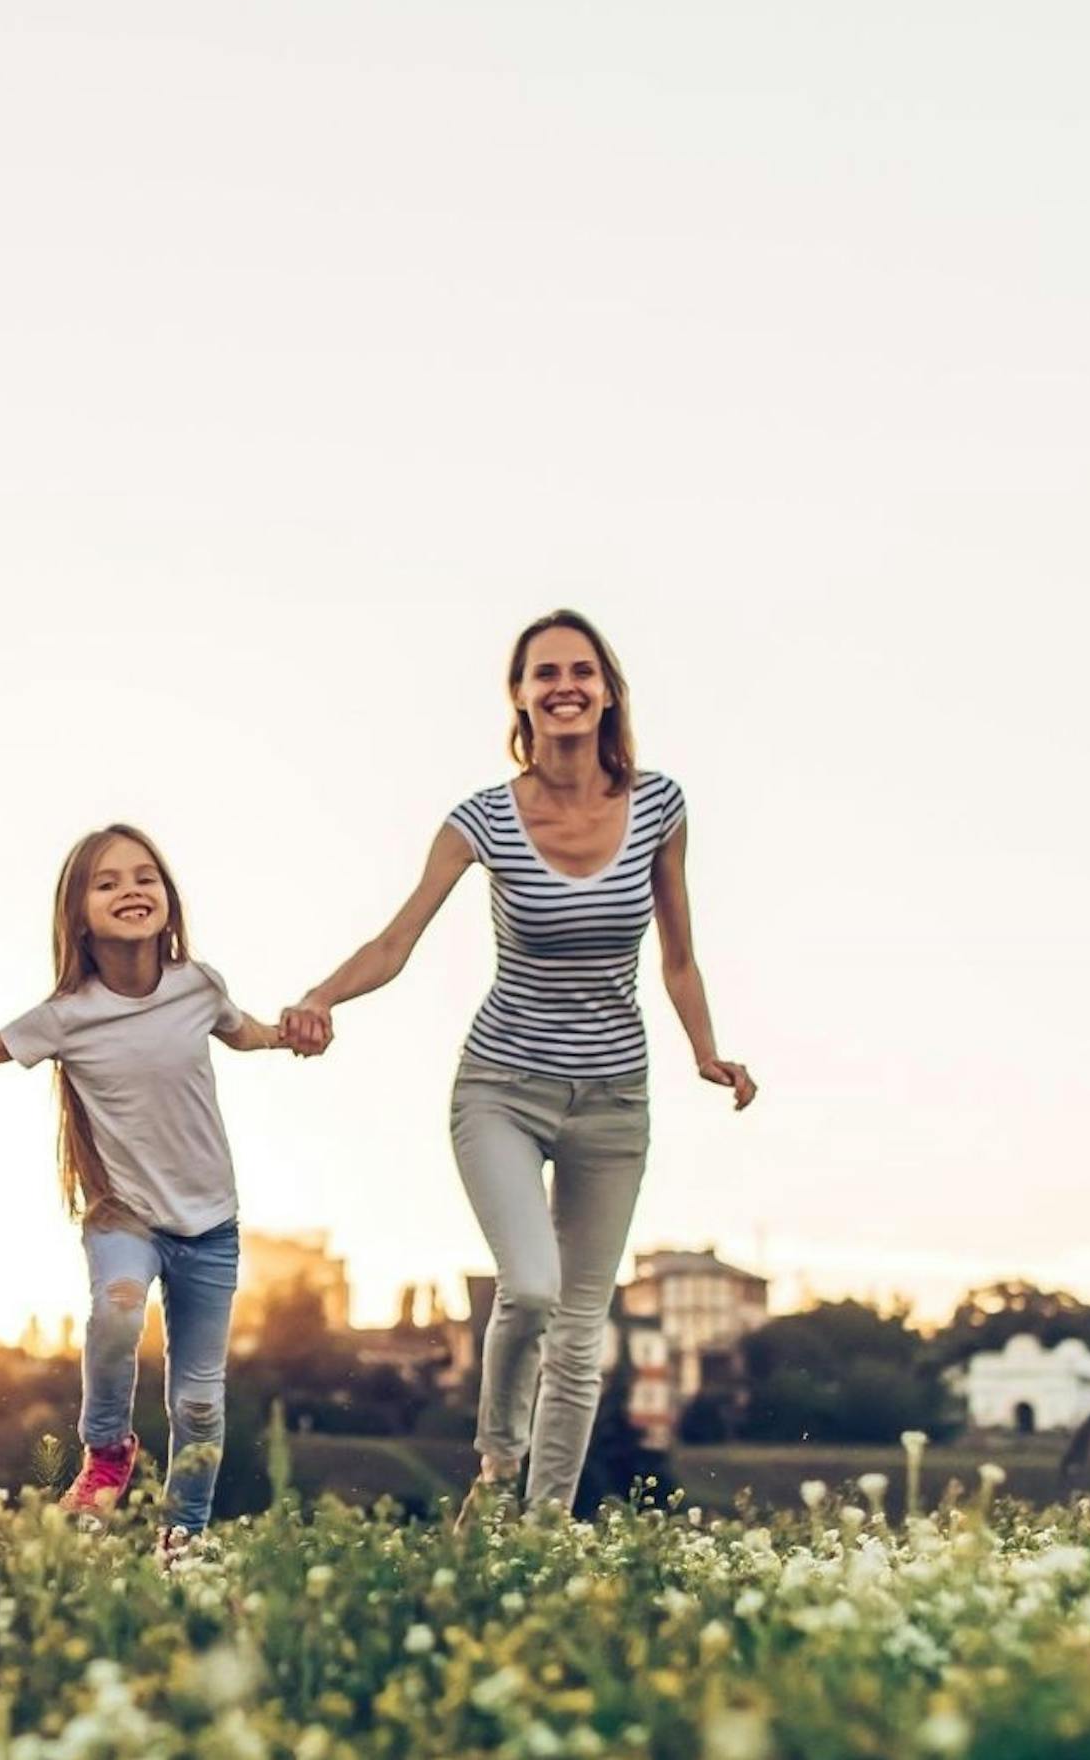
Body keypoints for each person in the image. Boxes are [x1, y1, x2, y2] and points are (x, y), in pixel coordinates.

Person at [279, 610, 760, 1517]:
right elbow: (397, 939)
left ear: (609, 691)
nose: (565, 685)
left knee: (582, 1336)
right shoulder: (481, 821)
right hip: (502, 1089)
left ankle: (539, 1536)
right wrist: (321, 998)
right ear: (521, 697)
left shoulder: (660, 807)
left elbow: (679, 956)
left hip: (614, 1103)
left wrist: (707, 1051)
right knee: (530, 1288)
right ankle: (497, 1465)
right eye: (545, 673)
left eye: (582, 670)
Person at [0, 823, 307, 1562]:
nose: (131, 891)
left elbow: (247, 1033)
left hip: (211, 1225)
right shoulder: (66, 1016)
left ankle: (185, 1540)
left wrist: (293, 1032)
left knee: (200, 1398)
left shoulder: (199, 985)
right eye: (107, 882)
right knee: (117, 1313)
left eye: (145, 877)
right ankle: (106, 1450)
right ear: (78, 915)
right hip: (126, 1217)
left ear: (168, 901)